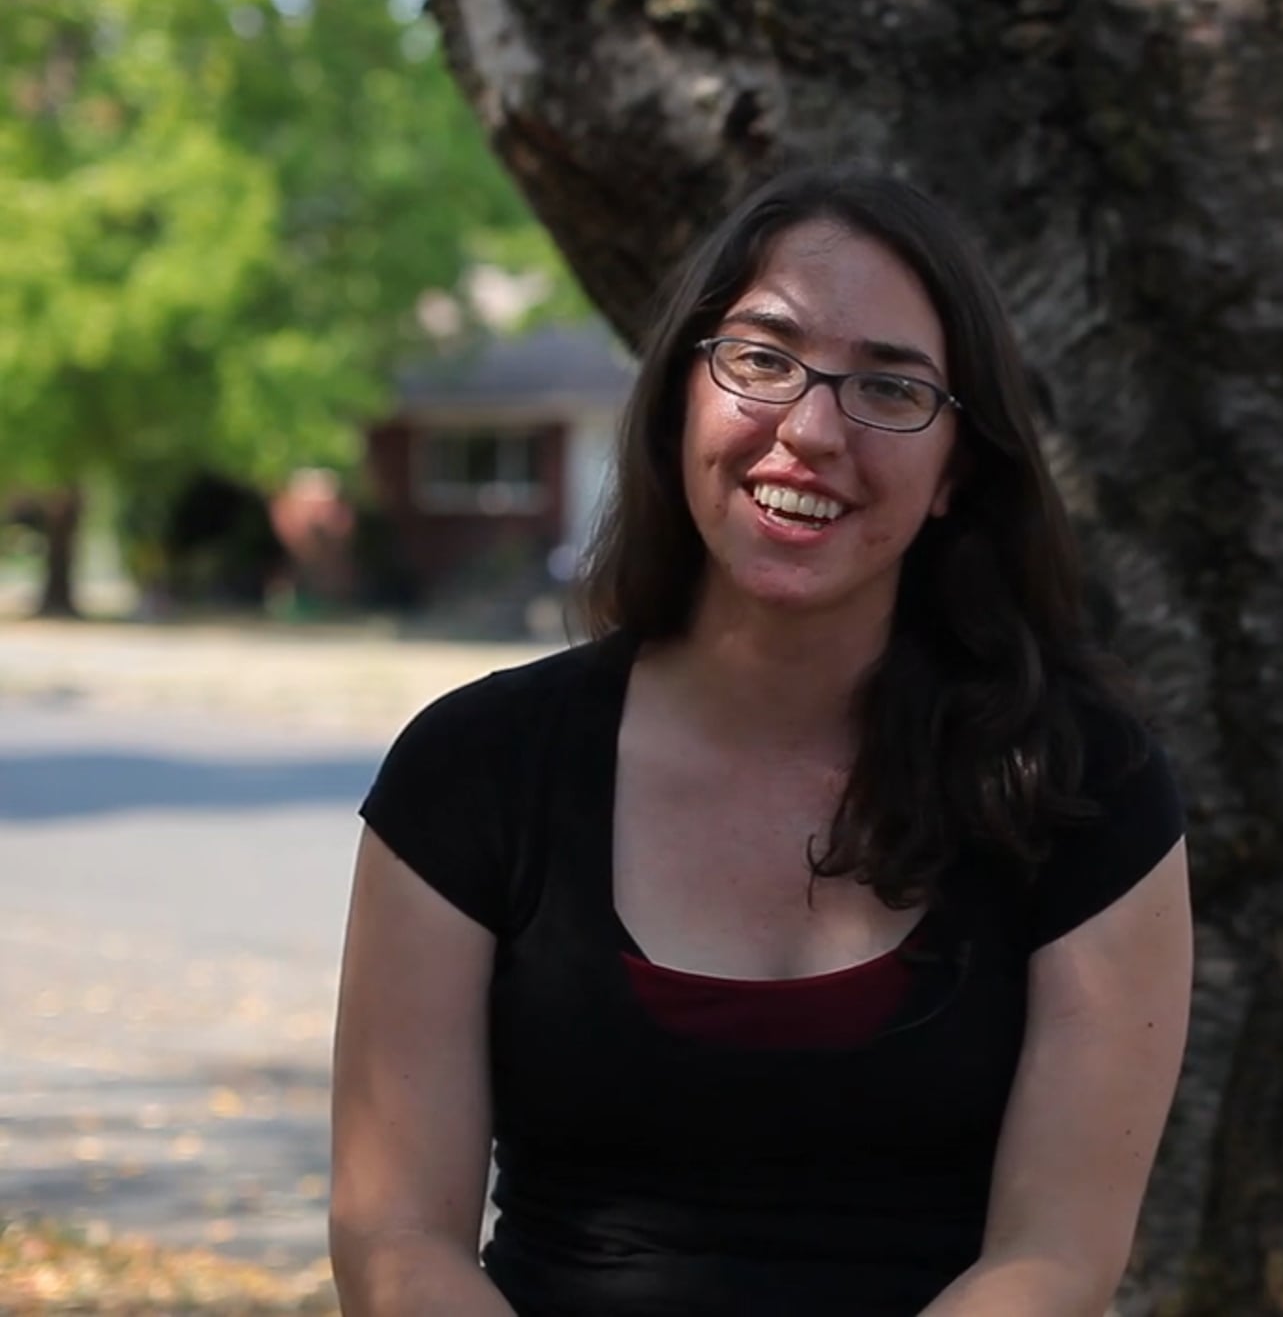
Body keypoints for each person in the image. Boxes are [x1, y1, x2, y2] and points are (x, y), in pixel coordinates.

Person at [327, 169, 1194, 1316]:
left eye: (891, 387)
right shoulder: (475, 769)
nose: (811, 430)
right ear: (681, 397)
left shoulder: (1081, 785)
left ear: (956, 471)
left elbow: (1055, 1258)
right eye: (763, 359)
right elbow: (394, 1236)